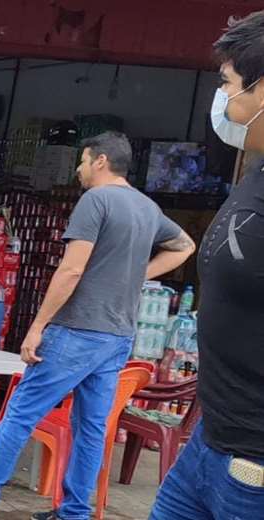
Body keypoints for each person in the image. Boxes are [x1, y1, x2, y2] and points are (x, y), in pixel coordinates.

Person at [0, 132, 194, 520]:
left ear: (101, 161)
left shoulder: (97, 200)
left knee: (21, 412)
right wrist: (139, 274)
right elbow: (184, 245)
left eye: (83, 160)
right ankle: (73, 512)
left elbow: (72, 269)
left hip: (76, 328)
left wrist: (38, 325)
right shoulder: (146, 207)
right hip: (118, 336)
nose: (78, 169)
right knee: (91, 428)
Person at [149, 13, 264, 518]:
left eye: (229, 85)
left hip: (253, 467)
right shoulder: (258, 168)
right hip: (209, 443)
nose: (225, 102)